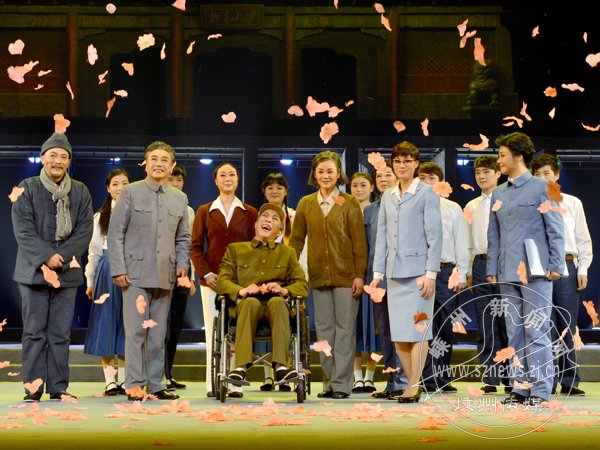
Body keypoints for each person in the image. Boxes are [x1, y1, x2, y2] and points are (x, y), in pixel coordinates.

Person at [11, 132, 93, 402]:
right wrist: (46, 256)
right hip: (33, 271)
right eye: (53, 155)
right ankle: (33, 388)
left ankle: (58, 387)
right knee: (34, 332)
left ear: (69, 161)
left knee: (60, 333)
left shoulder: (80, 190)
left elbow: (84, 230)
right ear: (42, 157)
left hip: (67, 272)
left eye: (63, 156)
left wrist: (62, 256)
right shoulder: (27, 187)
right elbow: (23, 230)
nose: (58, 161)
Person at [108, 140, 190, 401]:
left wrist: (182, 266)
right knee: (136, 331)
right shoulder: (130, 192)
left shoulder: (180, 198)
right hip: (134, 274)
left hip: (165, 274)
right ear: (145, 163)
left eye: (164, 160)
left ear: (172, 166)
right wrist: (118, 269)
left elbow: (183, 238)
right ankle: (134, 383)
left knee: (158, 334)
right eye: (154, 159)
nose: (159, 164)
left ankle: (156, 384)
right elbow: (115, 233)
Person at [487, 132, 565, 407]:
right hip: (506, 271)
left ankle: (541, 390)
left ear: (518, 156)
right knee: (514, 331)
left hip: (536, 271)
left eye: (502, 155)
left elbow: (556, 229)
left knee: (537, 330)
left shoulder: (546, 187)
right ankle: (520, 387)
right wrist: (492, 267)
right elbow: (493, 234)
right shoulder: (498, 192)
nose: (499, 161)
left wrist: (556, 263)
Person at [289, 150, 367, 399]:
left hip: (346, 276)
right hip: (318, 275)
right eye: (321, 171)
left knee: (344, 329)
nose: (325, 176)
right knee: (324, 331)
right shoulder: (306, 203)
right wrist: (289, 269)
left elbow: (359, 242)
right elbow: (296, 240)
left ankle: (342, 384)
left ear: (338, 174)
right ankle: (329, 383)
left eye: (330, 171)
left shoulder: (348, 202)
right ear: (314, 174)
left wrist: (359, 274)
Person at [370, 141, 443, 404]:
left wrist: (431, 273)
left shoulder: (427, 193)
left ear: (416, 164)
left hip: (419, 274)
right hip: (393, 274)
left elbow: (435, 236)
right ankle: (414, 383)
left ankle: (413, 385)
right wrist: (377, 275)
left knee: (418, 331)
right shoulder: (388, 195)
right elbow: (381, 237)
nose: (402, 166)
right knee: (400, 334)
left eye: (407, 161)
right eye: (398, 161)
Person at [217, 203, 310, 388]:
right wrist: (241, 291)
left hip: (275, 307)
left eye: (274, 219)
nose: (268, 220)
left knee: (278, 302)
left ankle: (281, 366)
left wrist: (284, 290)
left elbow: (302, 284)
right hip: (246, 306)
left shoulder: (287, 253)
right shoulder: (236, 250)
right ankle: (240, 367)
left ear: (279, 231)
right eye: (264, 217)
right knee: (250, 302)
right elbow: (222, 281)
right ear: (256, 224)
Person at [191, 162, 257, 398]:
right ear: (216, 181)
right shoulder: (204, 211)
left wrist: (247, 279)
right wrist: (207, 274)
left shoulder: (249, 212)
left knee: (238, 333)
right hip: (212, 282)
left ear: (237, 180)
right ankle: (213, 383)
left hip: (241, 284)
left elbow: (255, 247)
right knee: (213, 332)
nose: (227, 178)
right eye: (223, 175)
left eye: (232, 175)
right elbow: (195, 247)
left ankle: (236, 384)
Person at [532, 153, 592, 397]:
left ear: (556, 175)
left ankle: (569, 380)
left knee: (566, 324)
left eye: (546, 173)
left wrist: (583, 268)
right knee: (541, 326)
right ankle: (545, 381)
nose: (542, 178)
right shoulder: (531, 204)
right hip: (538, 268)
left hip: (567, 266)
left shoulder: (572, 203)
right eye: (537, 175)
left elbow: (583, 238)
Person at [418, 162, 469, 394]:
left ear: (441, 182)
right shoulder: (412, 207)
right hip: (420, 273)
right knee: (422, 326)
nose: (427, 182)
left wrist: (462, 272)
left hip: (447, 272)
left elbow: (461, 241)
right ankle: (425, 377)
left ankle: (442, 376)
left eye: (432, 178)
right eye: (423, 178)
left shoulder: (452, 208)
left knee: (446, 327)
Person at [464, 156, 510, 394]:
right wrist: (468, 271)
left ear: (498, 174)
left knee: (507, 320)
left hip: (504, 263)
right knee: (485, 321)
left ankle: (512, 377)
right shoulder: (471, 206)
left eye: (487, 172)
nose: (481, 177)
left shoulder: (507, 199)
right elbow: (468, 243)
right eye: (478, 173)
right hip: (480, 263)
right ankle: (490, 377)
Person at [363, 161, 408, 400]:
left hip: (403, 276)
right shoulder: (370, 210)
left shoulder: (407, 203)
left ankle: (404, 381)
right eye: (379, 176)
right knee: (385, 332)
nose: (383, 179)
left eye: (387, 175)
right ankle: (393, 380)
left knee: (402, 330)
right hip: (377, 279)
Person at [83, 168, 130, 396]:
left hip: (132, 270)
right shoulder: (100, 216)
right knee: (106, 323)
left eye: (124, 183)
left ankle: (125, 379)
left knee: (128, 324)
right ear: (108, 188)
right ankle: (110, 380)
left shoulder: (137, 212)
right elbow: (94, 251)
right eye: (115, 184)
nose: (120, 188)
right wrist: (90, 280)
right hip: (107, 270)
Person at [164, 164, 197, 391]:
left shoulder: (189, 210)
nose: (175, 184)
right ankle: (157, 373)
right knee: (160, 324)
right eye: (171, 180)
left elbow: (189, 244)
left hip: (182, 271)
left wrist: (190, 275)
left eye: (179, 180)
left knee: (175, 324)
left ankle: (168, 372)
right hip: (159, 270)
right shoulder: (156, 204)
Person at [349, 171, 378, 394]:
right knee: (354, 328)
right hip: (351, 276)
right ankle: (357, 376)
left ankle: (370, 376)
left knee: (375, 329)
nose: (359, 189)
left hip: (374, 276)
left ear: (371, 188)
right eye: (355, 185)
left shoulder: (378, 210)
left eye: (363, 185)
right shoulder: (346, 210)